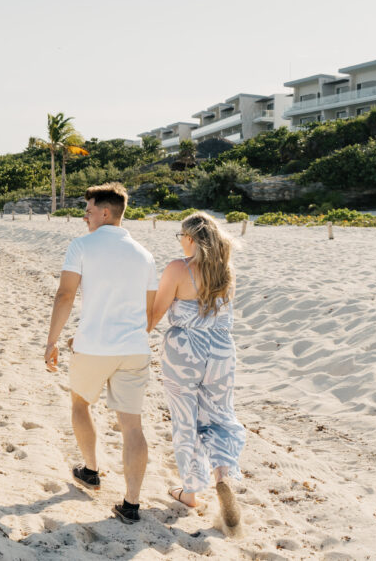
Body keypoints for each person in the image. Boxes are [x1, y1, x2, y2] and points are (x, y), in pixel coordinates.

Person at [45, 182, 158, 524]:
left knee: (80, 404)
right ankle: (131, 504)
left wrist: (52, 341)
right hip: (135, 349)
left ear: (105, 213)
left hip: (93, 346)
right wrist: (131, 336)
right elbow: (150, 311)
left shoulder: (81, 246)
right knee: (132, 426)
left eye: (89, 210)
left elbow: (64, 296)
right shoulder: (144, 254)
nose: (85, 216)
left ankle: (91, 470)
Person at [147, 211, 244, 531]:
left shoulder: (179, 268)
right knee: (219, 415)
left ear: (190, 239)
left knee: (186, 418)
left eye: (181, 236)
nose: (180, 242)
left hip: (185, 351)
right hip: (221, 351)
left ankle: (189, 491)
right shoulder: (225, 271)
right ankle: (222, 477)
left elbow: (155, 315)